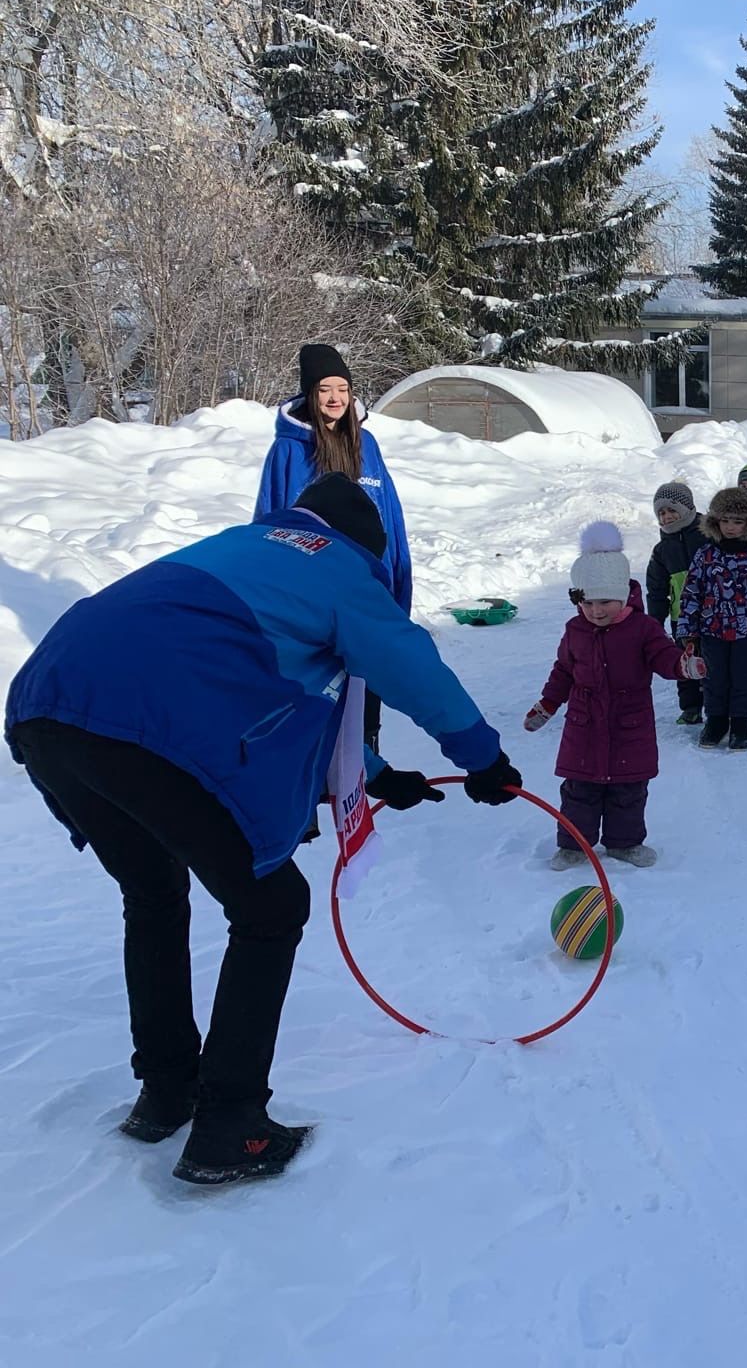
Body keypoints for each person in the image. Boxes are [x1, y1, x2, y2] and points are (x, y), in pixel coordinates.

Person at [4, 474, 520, 1185]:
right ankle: (229, 1125)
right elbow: (411, 669)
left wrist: (372, 775)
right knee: (272, 908)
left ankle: (165, 1091)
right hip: (141, 722)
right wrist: (485, 760)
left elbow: (277, 688)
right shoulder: (338, 567)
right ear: (368, 545)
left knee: (153, 890)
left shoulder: (241, 545)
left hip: (46, 703)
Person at [256, 343, 411, 752]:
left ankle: (357, 794)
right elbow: (269, 521)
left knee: (363, 705)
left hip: (366, 592)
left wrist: (398, 588)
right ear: (310, 393)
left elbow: (390, 521)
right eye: (325, 388)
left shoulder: (367, 445)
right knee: (316, 706)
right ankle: (306, 807)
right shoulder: (288, 451)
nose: (335, 398)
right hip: (311, 600)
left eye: (342, 387)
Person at [525, 524, 687, 869]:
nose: (596, 611)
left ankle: (625, 844)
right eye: (587, 602)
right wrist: (548, 704)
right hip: (584, 725)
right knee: (578, 790)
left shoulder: (643, 629)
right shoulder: (575, 630)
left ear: (623, 596)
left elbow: (663, 656)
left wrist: (683, 666)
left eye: (605, 602)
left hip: (629, 724)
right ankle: (573, 845)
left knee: (628, 790)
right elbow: (563, 672)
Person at [679, 488, 747, 751]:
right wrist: (687, 627)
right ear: (715, 522)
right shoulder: (706, 554)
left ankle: (740, 722)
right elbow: (691, 592)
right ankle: (716, 721)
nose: (730, 527)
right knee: (714, 679)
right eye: (725, 521)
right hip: (712, 630)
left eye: (737, 521)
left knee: (743, 679)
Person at [644, 481, 707, 727]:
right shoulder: (662, 550)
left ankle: (717, 706)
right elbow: (656, 591)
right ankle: (691, 707)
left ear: (687, 508)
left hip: (714, 614)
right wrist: (654, 624)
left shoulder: (708, 535)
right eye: (661, 513)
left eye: (672, 510)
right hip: (681, 617)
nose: (667, 516)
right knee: (686, 661)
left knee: (715, 660)